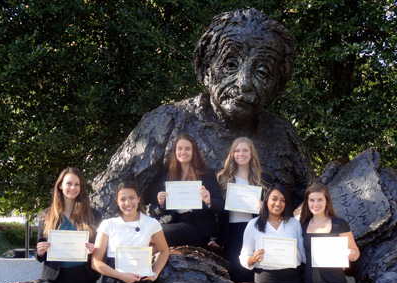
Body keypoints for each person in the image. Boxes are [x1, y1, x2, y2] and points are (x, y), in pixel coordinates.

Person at [91, 8, 314, 218]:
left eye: (262, 71)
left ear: (277, 86)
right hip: (176, 248)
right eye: (230, 64)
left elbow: (314, 204)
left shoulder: (283, 136)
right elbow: (107, 197)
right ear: (205, 70)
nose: (244, 82)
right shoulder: (166, 122)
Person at [92, 182, 169, 283]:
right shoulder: (108, 224)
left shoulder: (151, 223)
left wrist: (154, 273)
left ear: (138, 199)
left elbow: (164, 251)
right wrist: (121, 276)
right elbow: (96, 262)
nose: (127, 203)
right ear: (117, 202)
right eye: (122, 199)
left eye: (131, 198)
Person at [36, 167, 101, 283]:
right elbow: (39, 249)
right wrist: (40, 251)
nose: (73, 188)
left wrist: (94, 249)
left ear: (81, 187)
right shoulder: (46, 215)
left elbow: (100, 247)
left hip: (85, 277)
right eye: (69, 183)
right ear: (60, 185)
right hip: (57, 278)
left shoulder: (94, 214)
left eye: (77, 184)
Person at [215, 137, 263, 283]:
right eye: (237, 150)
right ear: (232, 154)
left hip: (255, 234)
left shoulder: (261, 180)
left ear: (252, 154)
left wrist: (264, 209)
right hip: (232, 235)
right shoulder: (222, 178)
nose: (240, 154)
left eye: (245, 150)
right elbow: (217, 209)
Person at [239, 182, 305, 283]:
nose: (278, 204)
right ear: (266, 200)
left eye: (283, 200)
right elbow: (244, 256)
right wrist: (253, 259)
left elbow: (302, 254)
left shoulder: (294, 224)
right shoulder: (253, 225)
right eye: (274, 199)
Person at [156, 133, 224, 247]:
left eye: (187, 149)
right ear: (175, 152)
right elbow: (165, 211)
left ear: (194, 152)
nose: (183, 152)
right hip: (177, 223)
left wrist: (208, 201)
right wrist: (162, 203)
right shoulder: (171, 176)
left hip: (198, 229)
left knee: (158, 231)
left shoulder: (205, 174)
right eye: (180, 149)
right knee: (152, 236)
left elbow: (221, 205)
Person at [300, 180, 360, 283]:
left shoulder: (339, 224)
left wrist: (352, 255)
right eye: (312, 200)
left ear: (327, 201)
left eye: (320, 200)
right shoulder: (302, 226)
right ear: (307, 202)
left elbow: (355, 252)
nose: (315, 204)